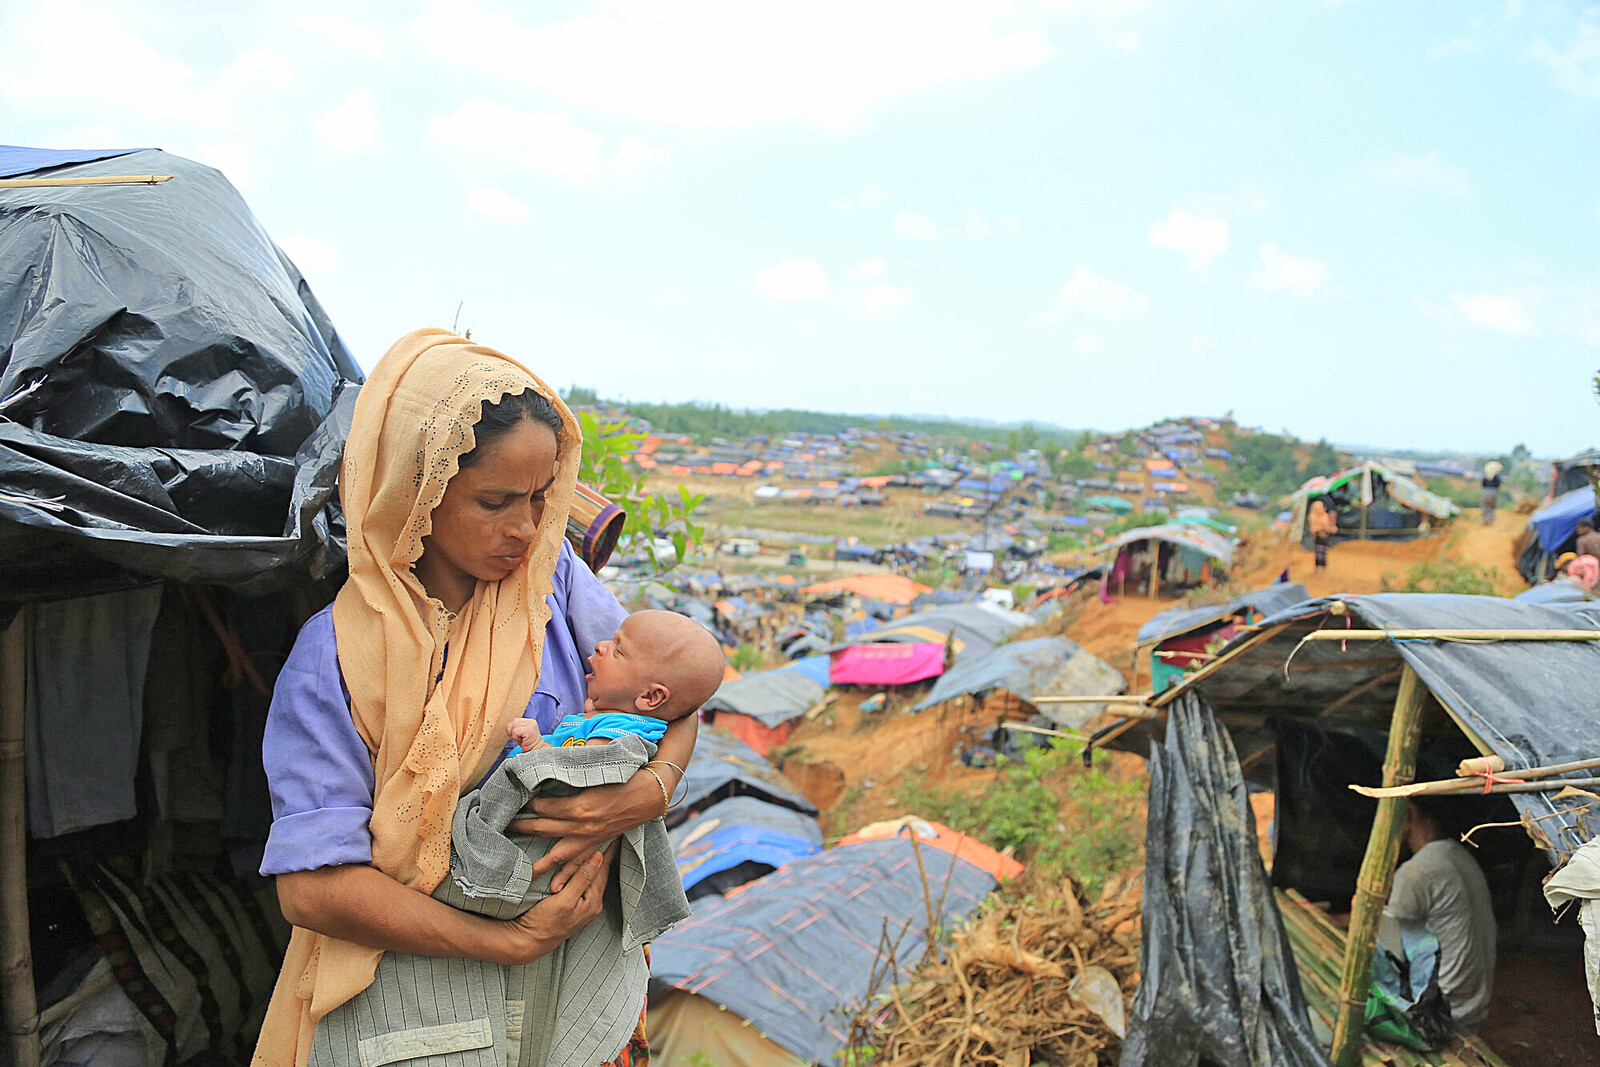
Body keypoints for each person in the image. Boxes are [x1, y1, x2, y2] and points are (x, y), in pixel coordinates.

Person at [253, 329, 697, 1067]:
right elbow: (313, 888)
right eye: (494, 501)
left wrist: (650, 789)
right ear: (415, 489)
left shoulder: (553, 588)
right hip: (421, 1007)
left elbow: (674, 697)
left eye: (537, 497)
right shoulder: (335, 659)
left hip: (578, 982)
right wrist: (511, 941)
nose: (525, 528)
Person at [508, 609, 725, 751]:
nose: (600, 646)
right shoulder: (612, 720)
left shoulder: (620, 737)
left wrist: (537, 746)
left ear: (649, 696)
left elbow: (574, 774)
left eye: (618, 650)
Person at [1386, 800, 1496, 1032]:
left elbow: (1386, 944)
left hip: (1439, 1014)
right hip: (1473, 1004)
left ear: (1408, 812)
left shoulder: (1416, 872)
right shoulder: (1461, 856)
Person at [1309, 498, 1337, 570]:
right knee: (1318, 551)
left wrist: (1331, 527)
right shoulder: (1313, 516)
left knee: (1322, 551)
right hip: (1317, 536)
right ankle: (1317, 565)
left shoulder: (1325, 516)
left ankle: (1322, 566)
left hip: (1324, 536)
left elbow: (1327, 526)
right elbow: (1314, 526)